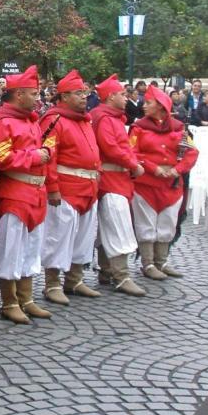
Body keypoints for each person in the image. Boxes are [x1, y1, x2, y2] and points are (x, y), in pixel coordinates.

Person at [0, 65, 52, 325]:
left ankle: (26, 298)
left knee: (30, 249)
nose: (38, 98)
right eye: (33, 93)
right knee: (11, 249)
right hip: (14, 194)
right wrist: (34, 156)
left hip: (35, 193)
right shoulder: (4, 121)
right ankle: (9, 301)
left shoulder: (30, 120)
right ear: (19, 94)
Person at [39, 70, 102, 307]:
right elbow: (49, 157)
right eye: (78, 93)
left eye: (85, 92)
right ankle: (52, 283)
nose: (84, 97)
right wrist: (53, 188)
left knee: (83, 237)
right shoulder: (54, 120)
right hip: (66, 189)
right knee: (59, 236)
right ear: (64, 97)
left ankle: (74, 279)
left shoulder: (84, 121)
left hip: (88, 187)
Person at [130, 86, 199, 281]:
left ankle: (162, 261)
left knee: (167, 222)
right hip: (146, 184)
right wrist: (153, 168)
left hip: (171, 184)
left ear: (160, 106)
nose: (144, 106)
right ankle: (148, 263)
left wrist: (178, 169)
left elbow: (192, 152)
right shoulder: (138, 128)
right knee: (146, 223)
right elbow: (132, 152)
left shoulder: (179, 128)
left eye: (148, 103)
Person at [91, 74, 146, 297]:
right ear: (111, 96)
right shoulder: (105, 118)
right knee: (117, 225)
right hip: (111, 181)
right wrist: (133, 164)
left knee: (110, 226)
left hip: (117, 180)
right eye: (122, 94)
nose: (126, 98)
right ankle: (120, 275)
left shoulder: (109, 117)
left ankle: (107, 271)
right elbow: (111, 147)